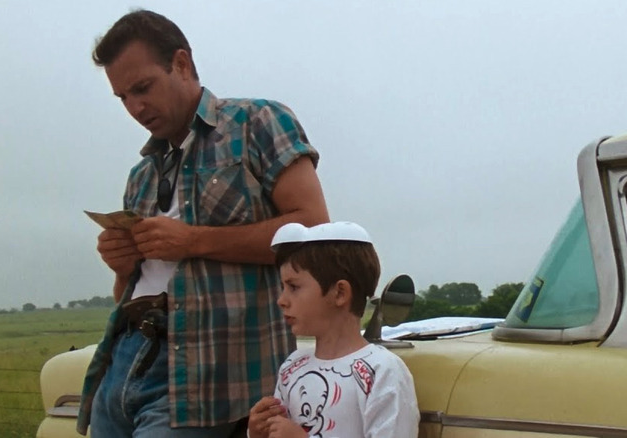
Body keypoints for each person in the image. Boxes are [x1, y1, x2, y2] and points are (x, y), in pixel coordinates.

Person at [77, 9, 330, 438]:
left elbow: (312, 231)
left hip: (204, 376)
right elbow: (132, 289)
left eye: (143, 88)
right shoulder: (141, 175)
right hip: (123, 362)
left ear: (182, 64)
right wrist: (121, 267)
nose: (135, 107)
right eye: (123, 97)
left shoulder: (258, 122)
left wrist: (193, 240)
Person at [248, 222, 419, 438]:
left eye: (294, 287)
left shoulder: (382, 371)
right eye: (283, 287)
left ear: (339, 293)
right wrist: (258, 433)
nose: (282, 300)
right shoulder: (293, 365)